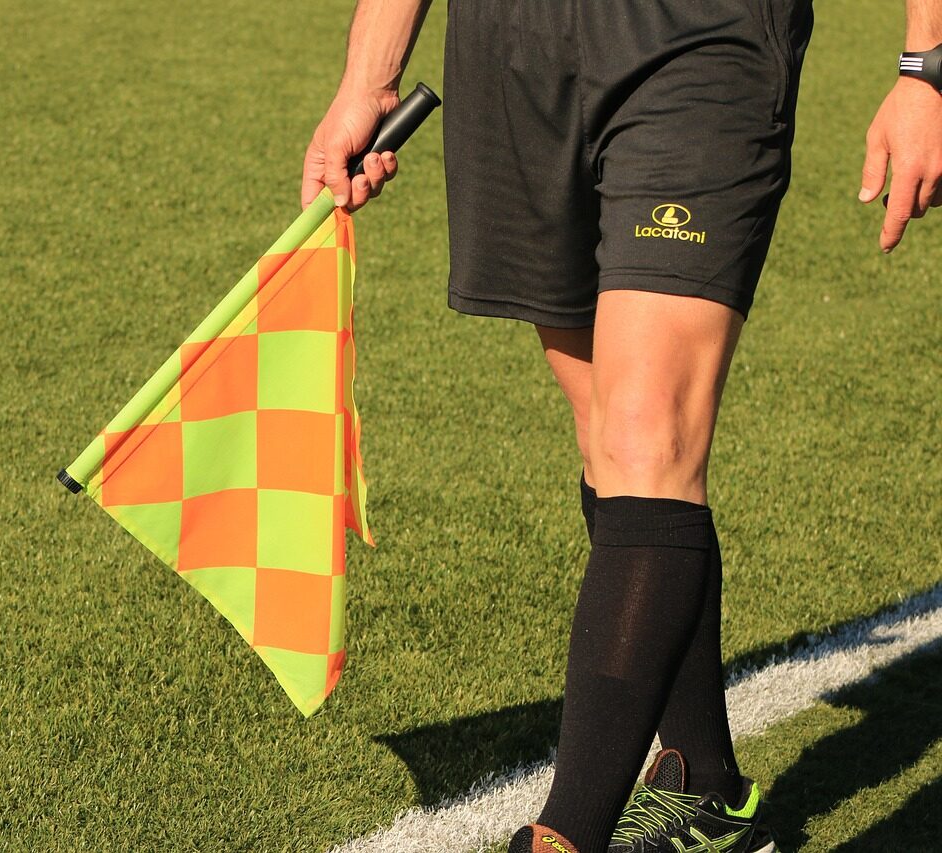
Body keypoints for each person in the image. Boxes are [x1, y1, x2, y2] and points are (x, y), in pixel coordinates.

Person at [301, 2, 942, 852]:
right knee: (609, 440)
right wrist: (367, 77)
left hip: (696, 36)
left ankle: (562, 836)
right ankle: (704, 790)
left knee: (648, 434)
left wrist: (926, 64)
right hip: (513, 48)